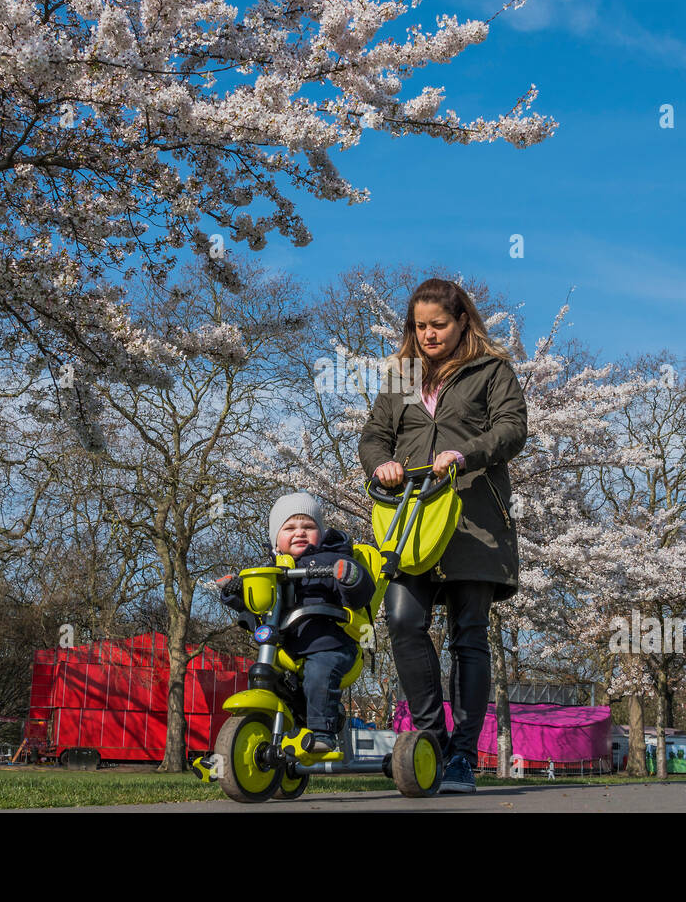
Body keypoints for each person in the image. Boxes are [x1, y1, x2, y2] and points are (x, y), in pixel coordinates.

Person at [358, 278, 528, 793]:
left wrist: (465, 453)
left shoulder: (491, 370)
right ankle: (429, 739)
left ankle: (462, 757)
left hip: (473, 519)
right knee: (404, 619)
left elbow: (512, 428)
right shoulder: (403, 376)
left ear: (461, 323)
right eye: (420, 326)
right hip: (411, 519)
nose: (428, 334)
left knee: (468, 635)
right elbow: (373, 436)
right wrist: (381, 464)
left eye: (439, 325)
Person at [220, 492, 375, 753]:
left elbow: (362, 594)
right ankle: (268, 733)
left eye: (309, 526)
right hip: (286, 651)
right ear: (276, 540)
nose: (300, 532)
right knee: (264, 676)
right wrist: (234, 591)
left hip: (330, 645)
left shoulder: (331, 560)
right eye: (289, 527)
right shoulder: (271, 571)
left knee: (319, 673)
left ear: (321, 533)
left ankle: (322, 731)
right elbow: (255, 607)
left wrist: (351, 576)